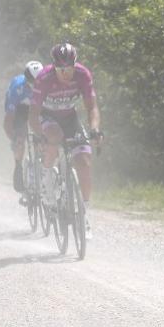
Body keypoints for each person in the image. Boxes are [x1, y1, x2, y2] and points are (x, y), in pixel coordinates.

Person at [30, 43, 103, 238]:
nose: (65, 73)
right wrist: (39, 135)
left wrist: (95, 129)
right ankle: (46, 177)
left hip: (70, 118)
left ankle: (83, 214)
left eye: (69, 68)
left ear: (75, 64)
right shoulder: (44, 78)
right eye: (61, 69)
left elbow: (92, 107)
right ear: (54, 66)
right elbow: (33, 114)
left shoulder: (83, 75)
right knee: (54, 138)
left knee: (84, 162)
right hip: (47, 117)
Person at [4, 60, 44, 193]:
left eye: (39, 81)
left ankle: (42, 167)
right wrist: (14, 138)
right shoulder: (17, 88)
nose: (35, 85)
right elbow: (8, 121)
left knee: (42, 136)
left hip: (37, 108)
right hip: (19, 109)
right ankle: (18, 167)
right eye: (32, 82)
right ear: (27, 80)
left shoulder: (46, 85)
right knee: (20, 139)